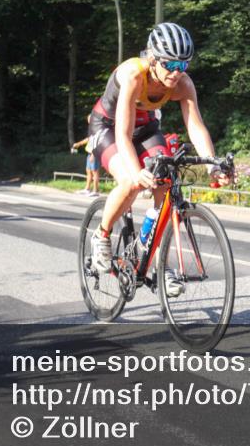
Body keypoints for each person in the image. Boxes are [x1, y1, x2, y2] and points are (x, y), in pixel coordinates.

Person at [87, 22, 232, 295]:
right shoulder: (133, 76)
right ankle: (101, 235)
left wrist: (213, 164)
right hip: (107, 127)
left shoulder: (183, 84)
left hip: (146, 128)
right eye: (170, 65)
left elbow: (196, 126)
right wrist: (135, 170)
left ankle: (154, 261)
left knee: (165, 181)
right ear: (153, 59)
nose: (176, 73)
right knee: (131, 182)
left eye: (183, 66)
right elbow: (123, 133)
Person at [71, 115, 100, 197]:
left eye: (90, 119)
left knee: (95, 172)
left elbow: (98, 141)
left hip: (95, 154)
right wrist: (79, 144)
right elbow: (88, 139)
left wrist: (94, 154)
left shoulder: (97, 128)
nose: (89, 121)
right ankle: (87, 189)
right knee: (88, 171)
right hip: (89, 153)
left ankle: (95, 190)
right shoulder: (91, 128)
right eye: (88, 119)